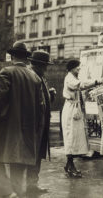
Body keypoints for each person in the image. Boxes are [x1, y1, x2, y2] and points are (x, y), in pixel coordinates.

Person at [0, 42, 43, 198]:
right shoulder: (35, 76)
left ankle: (7, 193)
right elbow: (41, 106)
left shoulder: (7, 72)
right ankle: (16, 193)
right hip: (27, 131)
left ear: (12, 56)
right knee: (18, 166)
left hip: (7, 128)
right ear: (26, 57)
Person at [61, 59, 101, 177]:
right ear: (72, 68)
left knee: (75, 137)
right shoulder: (69, 78)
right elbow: (79, 85)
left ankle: (69, 164)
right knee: (71, 137)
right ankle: (70, 165)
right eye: (77, 67)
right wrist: (96, 81)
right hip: (71, 109)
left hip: (75, 108)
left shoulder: (74, 77)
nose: (79, 68)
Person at [27, 50, 56, 194]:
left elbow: (42, 102)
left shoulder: (40, 76)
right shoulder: (31, 76)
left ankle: (32, 184)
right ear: (37, 64)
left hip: (41, 123)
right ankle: (29, 186)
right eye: (44, 65)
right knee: (32, 155)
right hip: (33, 125)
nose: (46, 68)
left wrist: (50, 96)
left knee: (38, 154)